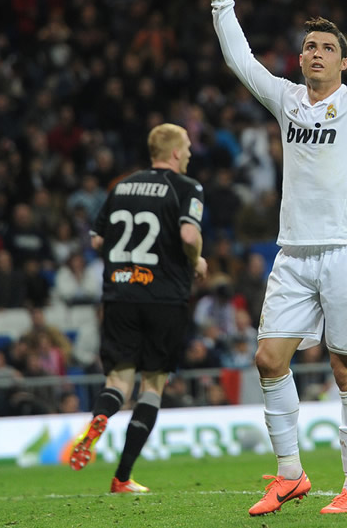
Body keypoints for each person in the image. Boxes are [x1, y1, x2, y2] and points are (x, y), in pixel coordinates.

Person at [200, 0, 347, 515]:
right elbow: (241, 62)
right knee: (269, 359)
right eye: (310, 46)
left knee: (346, 370)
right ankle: (291, 475)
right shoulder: (288, 101)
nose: (316, 53)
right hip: (293, 253)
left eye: (327, 48)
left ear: (344, 63)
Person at [69, 123, 207, 492]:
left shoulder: (120, 186)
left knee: (117, 380)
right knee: (152, 385)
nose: (191, 152)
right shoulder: (187, 187)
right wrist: (197, 260)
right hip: (164, 297)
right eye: (188, 147)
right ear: (175, 152)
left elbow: (98, 239)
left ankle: (101, 416)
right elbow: (189, 234)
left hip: (120, 296)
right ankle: (122, 476)